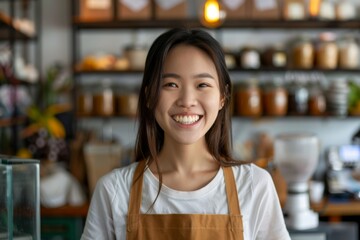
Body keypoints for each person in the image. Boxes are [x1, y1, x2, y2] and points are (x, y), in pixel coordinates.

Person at [81, 28, 290, 240]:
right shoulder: (114, 190)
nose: (187, 100)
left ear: (222, 97)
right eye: (171, 84)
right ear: (149, 96)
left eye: (202, 85)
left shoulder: (254, 186)